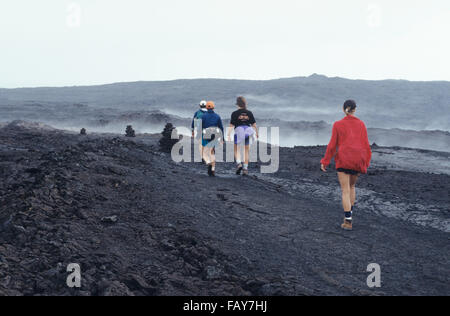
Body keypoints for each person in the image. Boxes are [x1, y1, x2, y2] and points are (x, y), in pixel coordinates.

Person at [320, 100, 372, 231]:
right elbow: (366, 146)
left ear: (344, 109)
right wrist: (365, 162)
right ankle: (350, 215)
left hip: (344, 159)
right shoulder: (361, 124)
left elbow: (332, 145)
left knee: (345, 190)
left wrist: (325, 161)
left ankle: (348, 221)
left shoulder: (338, 124)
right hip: (357, 160)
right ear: (355, 109)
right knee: (352, 187)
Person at [227, 96, 258, 176]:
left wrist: (228, 134)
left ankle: (239, 164)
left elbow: (231, 125)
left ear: (237, 104)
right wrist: (257, 133)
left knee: (236, 149)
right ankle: (245, 169)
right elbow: (254, 124)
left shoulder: (234, 113)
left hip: (239, 131)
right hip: (248, 131)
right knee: (246, 151)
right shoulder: (249, 113)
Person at [201, 101, 224, 177]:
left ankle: (208, 163)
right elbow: (221, 127)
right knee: (212, 151)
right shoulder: (217, 116)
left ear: (206, 107)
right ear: (213, 107)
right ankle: (213, 169)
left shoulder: (203, 116)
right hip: (215, 133)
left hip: (206, 133)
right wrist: (222, 138)